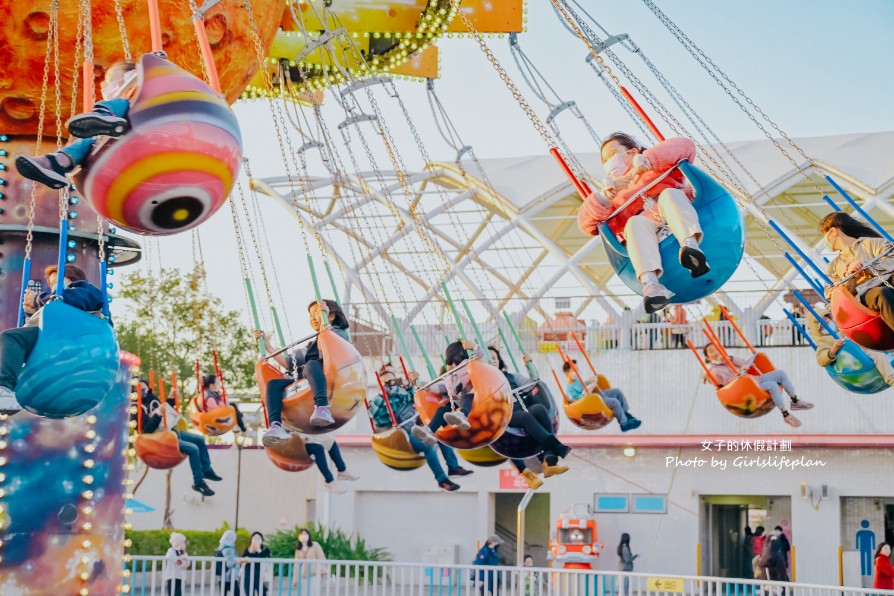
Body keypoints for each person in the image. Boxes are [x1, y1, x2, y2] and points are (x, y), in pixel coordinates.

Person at [577, 132, 707, 314]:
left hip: (673, 207)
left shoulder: (657, 166)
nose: (609, 162)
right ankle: (651, 283)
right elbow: (587, 225)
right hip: (650, 226)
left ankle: (690, 246)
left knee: (669, 195)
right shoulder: (617, 196)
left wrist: (648, 160)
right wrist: (605, 197)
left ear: (631, 152)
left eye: (613, 154)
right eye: (605, 159)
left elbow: (685, 146)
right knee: (634, 224)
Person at [0, 267, 106, 415]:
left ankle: (3, 388)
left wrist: (39, 299)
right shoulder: (50, 303)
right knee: (13, 349)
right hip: (52, 340)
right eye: (51, 283)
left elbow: (74, 300)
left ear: (73, 279)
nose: (53, 286)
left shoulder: (84, 290)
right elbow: (34, 325)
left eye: (57, 280)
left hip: (72, 336)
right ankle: (13, 395)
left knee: (11, 338)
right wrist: (31, 312)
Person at [16, 60, 137, 188]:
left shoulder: (136, 92)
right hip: (119, 149)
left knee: (117, 103)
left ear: (131, 75)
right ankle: (57, 163)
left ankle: (100, 117)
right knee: (91, 139)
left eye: (110, 80)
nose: (103, 85)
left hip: (137, 126)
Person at [260, 299, 353, 445]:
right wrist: (269, 348)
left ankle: (322, 407)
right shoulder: (312, 344)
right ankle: (276, 425)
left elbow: (331, 340)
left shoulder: (339, 334)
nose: (313, 319)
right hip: (309, 375)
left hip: (329, 373)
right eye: (310, 316)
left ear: (331, 316)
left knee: (312, 364)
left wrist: (325, 323)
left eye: (317, 313)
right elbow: (288, 364)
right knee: (274, 384)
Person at [368, 365, 471, 492]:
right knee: (428, 446)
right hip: (398, 435)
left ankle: (453, 467)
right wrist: (385, 394)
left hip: (413, 428)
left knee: (440, 434)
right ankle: (442, 480)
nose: (390, 384)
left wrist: (409, 385)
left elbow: (414, 398)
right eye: (386, 382)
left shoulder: (401, 394)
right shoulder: (377, 400)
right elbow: (375, 414)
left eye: (392, 381)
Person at [489, 346, 571, 477]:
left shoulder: (511, 377)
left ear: (499, 360)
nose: (492, 361)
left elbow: (533, 382)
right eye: (488, 359)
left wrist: (529, 365)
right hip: (503, 417)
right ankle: (556, 446)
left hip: (520, 410)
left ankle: (548, 457)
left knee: (539, 409)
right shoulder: (483, 381)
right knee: (524, 417)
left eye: (494, 358)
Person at [134, 379, 221, 496]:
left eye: (145, 388)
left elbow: (164, 410)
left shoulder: (151, 399)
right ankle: (198, 482)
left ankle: (206, 470)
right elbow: (148, 429)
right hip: (159, 439)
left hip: (170, 432)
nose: (144, 391)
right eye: (140, 389)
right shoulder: (136, 409)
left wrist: (171, 398)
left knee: (199, 440)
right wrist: (158, 414)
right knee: (193, 449)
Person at [702, 344, 813, 428]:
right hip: (746, 389)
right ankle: (786, 414)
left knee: (780, 374)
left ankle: (795, 401)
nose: (716, 352)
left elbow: (743, 363)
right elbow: (731, 384)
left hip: (755, 380)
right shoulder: (714, 371)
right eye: (712, 351)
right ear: (708, 357)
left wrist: (731, 359)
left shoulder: (727, 360)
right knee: (772, 385)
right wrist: (741, 373)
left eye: (717, 348)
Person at [821, 212, 894, 332]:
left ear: (833, 232)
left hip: (888, 280)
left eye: (824, 235)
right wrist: (850, 277)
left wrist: (866, 266)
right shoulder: (833, 266)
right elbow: (831, 293)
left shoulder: (873, 243)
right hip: (866, 294)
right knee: (882, 294)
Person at [410, 340, 485, 445]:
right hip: (457, 402)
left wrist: (474, 347)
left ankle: (463, 415)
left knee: (466, 397)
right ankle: (430, 430)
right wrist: (420, 384)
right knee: (442, 409)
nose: (448, 366)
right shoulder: (450, 376)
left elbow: (482, 359)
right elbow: (440, 388)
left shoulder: (470, 365)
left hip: (475, 398)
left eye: (450, 362)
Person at [806, 307, 894, 386]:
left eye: (827, 321)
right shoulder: (823, 340)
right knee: (878, 355)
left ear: (830, 318)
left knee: (884, 344)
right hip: (856, 358)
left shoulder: (840, 326)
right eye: (822, 327)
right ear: (818, 330)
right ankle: (891, 380)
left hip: (864, 344)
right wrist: (833, 350)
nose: (827, 325)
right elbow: (821, 359)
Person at [563, 360, 641, 432]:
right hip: (592, 402)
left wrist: (591, 380)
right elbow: (577, 401)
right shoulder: (569, 389)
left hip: (595, 395)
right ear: (567, 372)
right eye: (574, 370)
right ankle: (623, 424)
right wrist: (589, 389)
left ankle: (626, 414)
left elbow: (583, 385)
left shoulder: (576, 380)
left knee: (617, 392)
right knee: (615, 402)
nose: (577, 371)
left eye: (577, 369)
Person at [241, 531, 271, 596]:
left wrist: (259, 550)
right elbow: (242, 559)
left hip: (261, 577)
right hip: (248, 576)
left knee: (262, 593)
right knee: (249, 593)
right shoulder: (247, 550)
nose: (256, 540)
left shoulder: (265, 550)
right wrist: (251, 549)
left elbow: (266, 559)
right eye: (254, 538)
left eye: (258, 538)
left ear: (261, 540)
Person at [163, 532, 190, 596]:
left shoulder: (183, 552)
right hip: (171, 576)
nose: (184, 544)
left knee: (178, 593)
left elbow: (187, 564)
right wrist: (181, 563)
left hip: (180, 576)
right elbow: (171, 557)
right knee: (172, 593)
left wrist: (185, 558)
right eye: (182, 542)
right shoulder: (171, 550)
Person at [216, 529, 241, 595]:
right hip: (230, 577)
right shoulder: (229, 549)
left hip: (222, 577)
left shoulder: (221, 547)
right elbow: (230, 564)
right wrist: (238, 561)